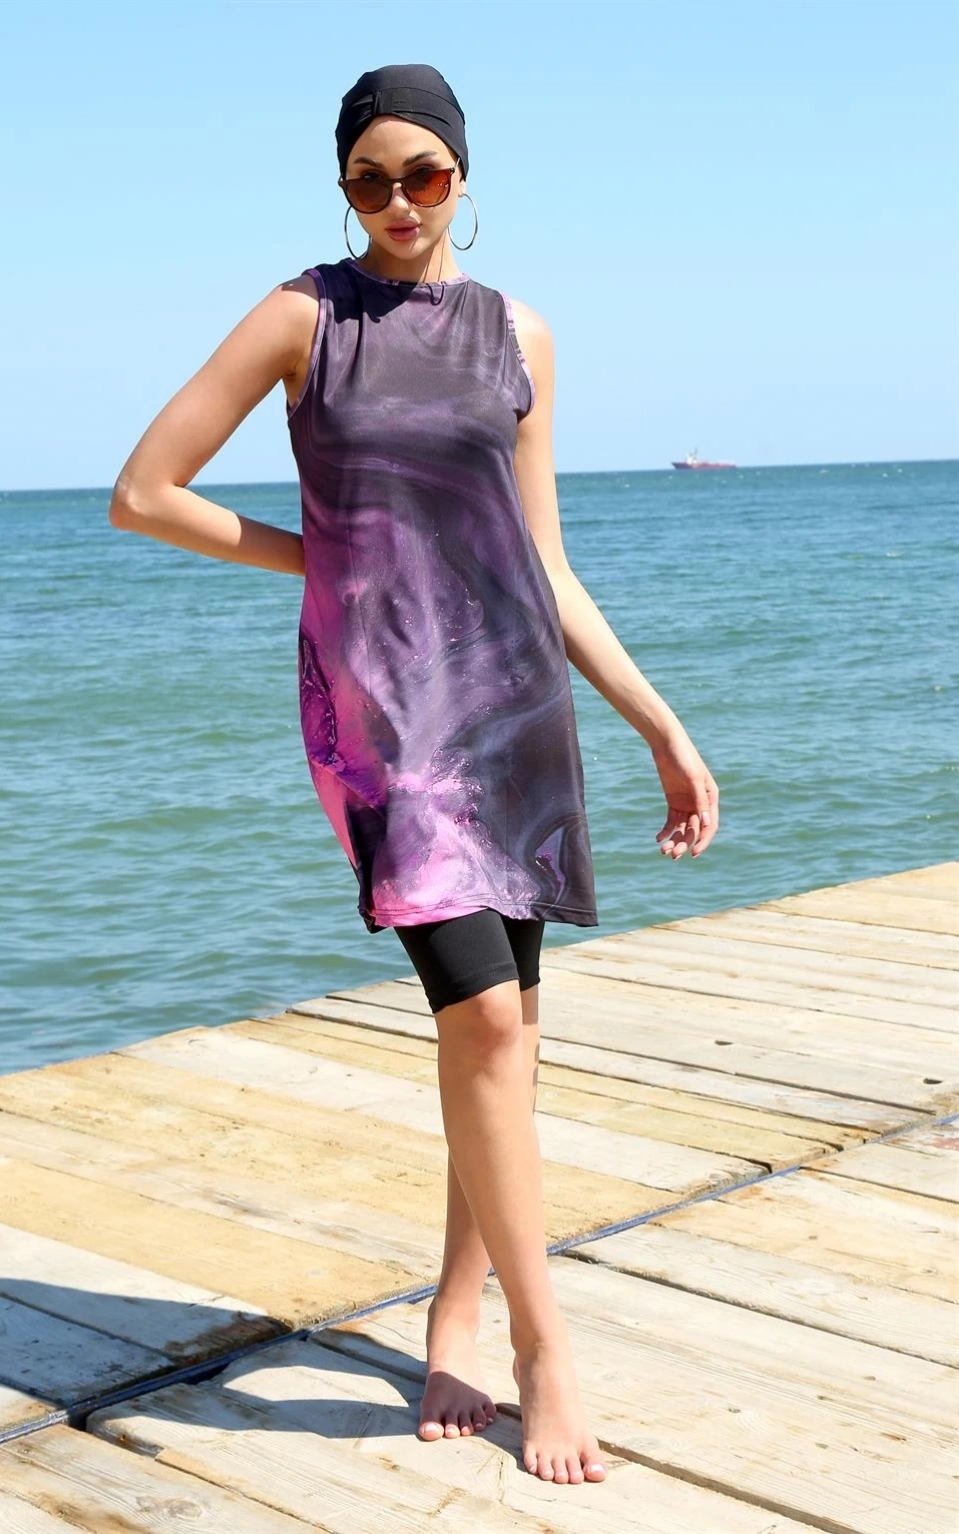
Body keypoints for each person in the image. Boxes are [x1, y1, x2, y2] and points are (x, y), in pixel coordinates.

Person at [109, 61, 719, 1488]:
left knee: (498, 1037)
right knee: (488, 1021)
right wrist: (327, 558)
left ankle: (453, 1303)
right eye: (369, 178)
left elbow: (543, 561)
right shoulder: (302, 317)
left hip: (513, 707)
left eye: (423, 175)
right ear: (344, 187)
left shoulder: (520, 335)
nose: (398, 200)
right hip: (385, 715)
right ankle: (545, 1348)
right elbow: (145, 493)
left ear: (463, 177)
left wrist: (657, 722)